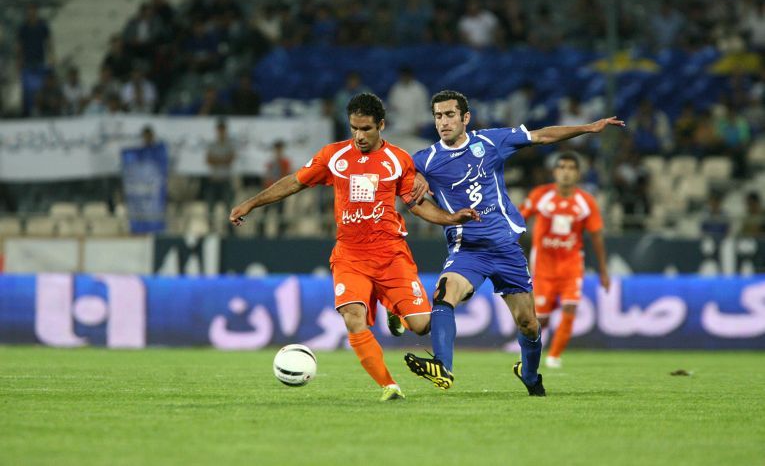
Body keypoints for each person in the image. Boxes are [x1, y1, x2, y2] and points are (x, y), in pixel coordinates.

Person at [229, 93, 478, 401]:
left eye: (366, 129)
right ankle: (389, 386)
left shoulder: (398, 160)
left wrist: (450, 218)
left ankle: (393, 309)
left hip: (391, 255)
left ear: (381, 125)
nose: (359, 136)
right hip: (350, 257)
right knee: (352, 316)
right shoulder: (334, 156)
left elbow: (416, 204)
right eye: (354, 128)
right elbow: (295, 182)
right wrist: (251, 203)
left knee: (422, 325)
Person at [403, 90, 623, 396]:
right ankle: (443, 366)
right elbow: (405, 191)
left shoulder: (490, 141)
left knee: (528, 323)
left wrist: (587, 127)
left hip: (506, 249)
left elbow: (541, 136)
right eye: (438, 116)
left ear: (465, 118)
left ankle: (529, 374)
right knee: (444, 293)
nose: (444, 122)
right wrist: (418, 180)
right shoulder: (423, 160)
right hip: (468, 250)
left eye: (450, 115)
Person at [520, 152, 609, 368]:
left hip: (571, 265)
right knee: (541, 319)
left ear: (578, 174)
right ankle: (530, 352)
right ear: (554, 172)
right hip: (543, 267)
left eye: (571, 168)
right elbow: (518, 220)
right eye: (561, 167)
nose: (566, 172)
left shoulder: (586, 202)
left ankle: (554, 356)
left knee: (570, 308)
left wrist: (603, 271)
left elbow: (596, 237)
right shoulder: (541, 195)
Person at [205, 118, 236, 212]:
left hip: (225, 179)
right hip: (214, 179)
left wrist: (216, 160)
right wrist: (223, 159)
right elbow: (209, 160)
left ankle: (230, 222)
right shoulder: (212, 144)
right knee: (210, 206)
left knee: (228, 205)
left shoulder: (230, 144)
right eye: (219, 130)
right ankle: (211, 221)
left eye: (223, 130)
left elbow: (230, 160)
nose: (221, 132)